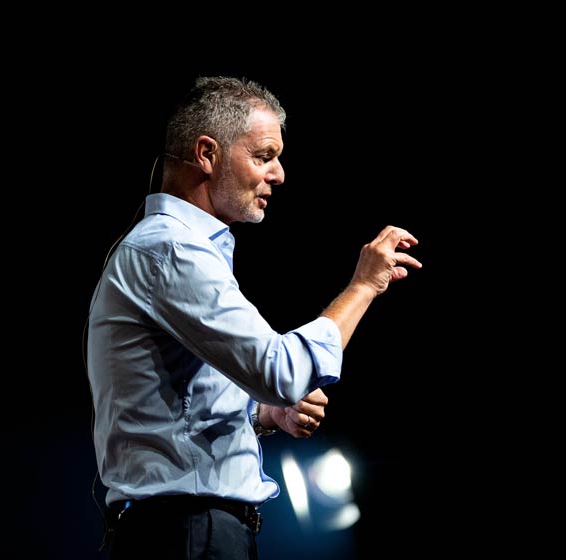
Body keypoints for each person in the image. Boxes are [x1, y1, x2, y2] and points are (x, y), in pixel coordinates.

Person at [86, 76, 422, 559]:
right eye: (264, 156)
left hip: (182, 531)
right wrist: (364, 286)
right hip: (188, 533)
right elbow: (281, 371)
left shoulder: (171, 249)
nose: (279, 174)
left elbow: (177, 405)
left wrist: (262, 414)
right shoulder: (171, 249)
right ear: (207, 154)